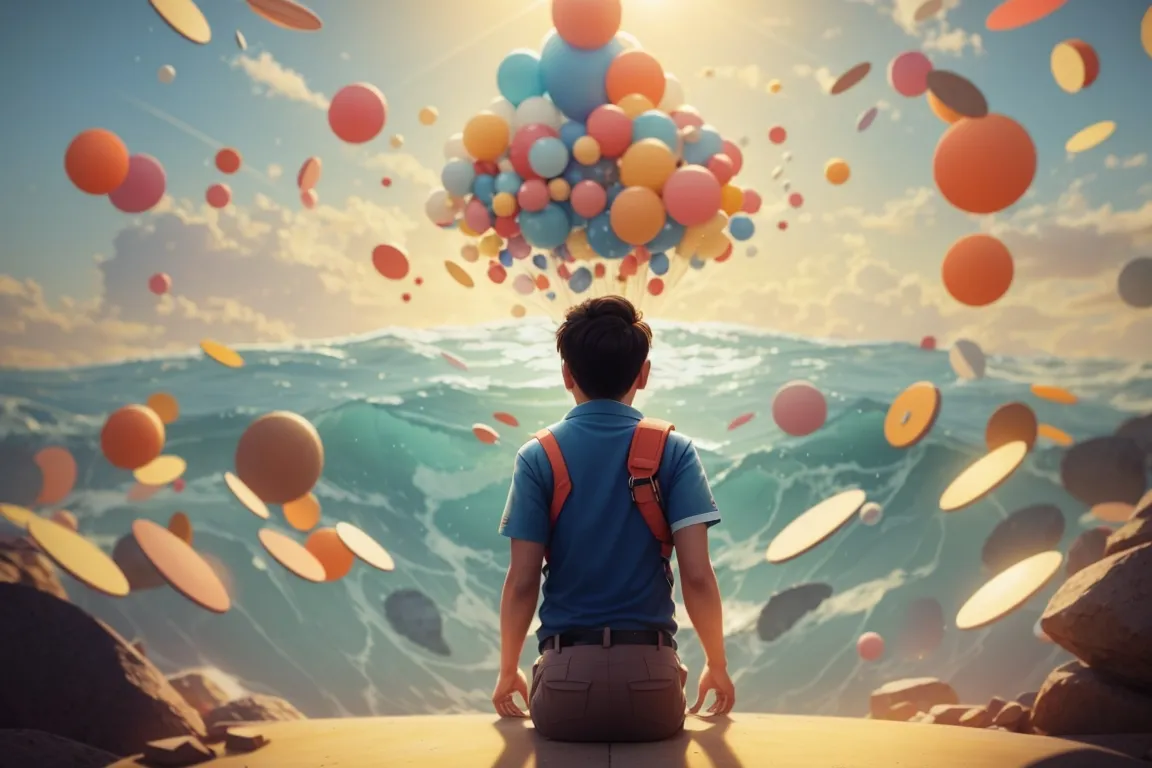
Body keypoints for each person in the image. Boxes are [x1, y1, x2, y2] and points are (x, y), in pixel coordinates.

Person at [492, 295, 735, 743]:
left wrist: (509, 672)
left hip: (564, 689)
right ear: (642, 374)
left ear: (567, 375)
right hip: (654, 689)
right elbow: (697, 577)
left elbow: (523, 581)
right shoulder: (674, 451)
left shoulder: (537, 456)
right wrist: (716, 667)